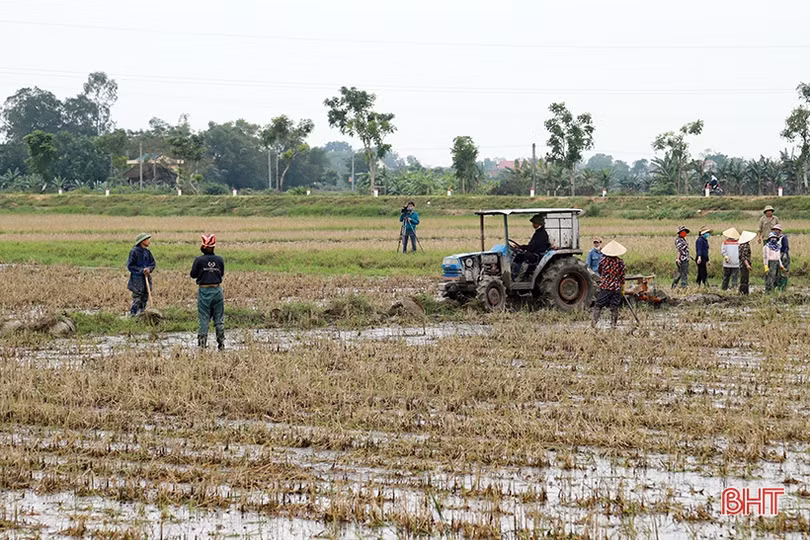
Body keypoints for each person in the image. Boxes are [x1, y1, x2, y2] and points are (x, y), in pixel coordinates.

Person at [190, 233, 226, 350]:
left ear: (203, 246)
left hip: (204, 291)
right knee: (219, 319)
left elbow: (193, 275)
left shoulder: (199, 260)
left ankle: (201, 346)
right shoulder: (219, 259)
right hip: (217, 291)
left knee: (204, 319)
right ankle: (221, 344)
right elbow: (221, 274)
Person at [591, 240, 626, 329]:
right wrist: (621, 285)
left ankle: (593, 324)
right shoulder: (620, 262)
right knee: (614, 306)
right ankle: (613, 325)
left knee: (598, 305)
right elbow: (622, 276)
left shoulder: (603, 261)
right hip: (616, 287)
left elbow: (600, 271)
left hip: (606, 287)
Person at [512, 213, 555, 280]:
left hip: (537, 255)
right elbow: (532, 246)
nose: (533, 224)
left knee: (523, 256)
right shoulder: (538, 232)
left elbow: (533, 247)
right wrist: (521, 247)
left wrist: (522, 247)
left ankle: (520, 276)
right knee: (518, 255)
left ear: (539, 224)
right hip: (535, 252)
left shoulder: (541, 234)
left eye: (534, 223)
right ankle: (515, 273)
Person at [126, 232, 156, 316]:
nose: (149, 241)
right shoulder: (134, 251)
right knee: (137, 299)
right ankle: (133, 316)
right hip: (137, 280)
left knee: (144, 298)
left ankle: (141, 315)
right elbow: (130, 266)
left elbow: (153, 263)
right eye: (147, 240)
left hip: (146, 278)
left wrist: (149, 269)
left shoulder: (147, 252)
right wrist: (142, 270)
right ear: (142, 241)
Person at [737, 230, 755, 295]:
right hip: (744, 264)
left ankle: (742, 292)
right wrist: (747, 265)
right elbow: (744, 257)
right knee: (745, 278)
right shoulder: (744, 246)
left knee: (743, 278)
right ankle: (744, 293)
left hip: (742, 264)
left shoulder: (742, 245)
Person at [772, 224, 790, 291]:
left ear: (780, 230)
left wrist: (785, 254)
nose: (776, 231)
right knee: (777, 272)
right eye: (774, 230)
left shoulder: (783, 238)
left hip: (783, 255)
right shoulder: (774, 238)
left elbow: (786, 247)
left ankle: (783, 287)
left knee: (784, 271)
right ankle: (778, 286)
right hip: (777, 255)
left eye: (777, 230)